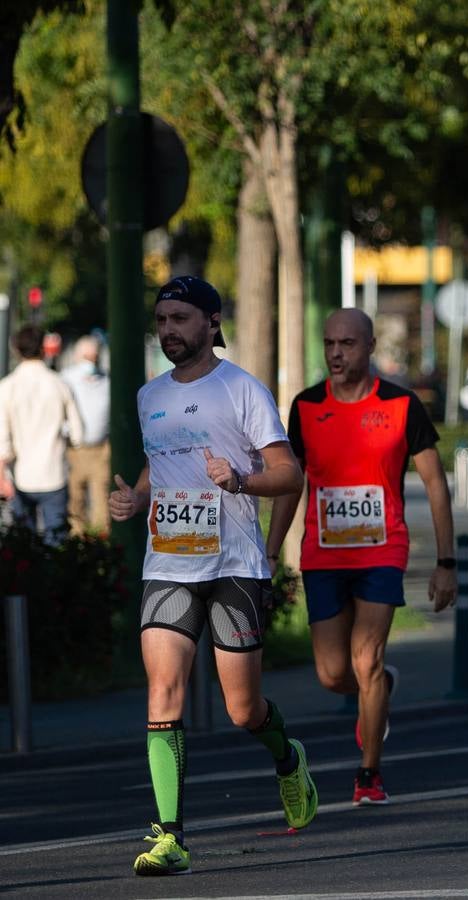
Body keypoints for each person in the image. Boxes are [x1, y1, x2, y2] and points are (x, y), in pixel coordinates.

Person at [110, 276, 316, 876]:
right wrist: (136, 498)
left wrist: (241, 481)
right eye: (162, 320)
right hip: (168, 563)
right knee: (162, 693)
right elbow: (160, 461)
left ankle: (287, 755)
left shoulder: (242, 390)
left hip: (233, 564)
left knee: (242, 709)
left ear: (211, 322)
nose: (168, 330)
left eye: (180, 318)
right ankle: (169, 837)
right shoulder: (151, 395)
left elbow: (289, 474)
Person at [266, 308, 458, 806]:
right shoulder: (306, 406)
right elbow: (291, 483)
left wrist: (446, 561)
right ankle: (380, 688)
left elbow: (436, 484)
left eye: (347, 343)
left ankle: (368, 773)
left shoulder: (401, 404)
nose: (335, 353)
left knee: (365, 659)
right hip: (323, 554)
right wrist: (270, 551)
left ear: (370, 346)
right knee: (333, 676)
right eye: (329, 343)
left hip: (381, 550)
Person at [0, 325, 83, 544]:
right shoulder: (60, 384)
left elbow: (2, 441)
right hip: (54, 474)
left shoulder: (7, 387)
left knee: (22, 547)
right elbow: (78, 434)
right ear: (44, 349)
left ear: (16, 350)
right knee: (56, 544)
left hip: (19, 476)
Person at [62, 334, 111, 533]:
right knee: (75, 502)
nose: (92, 361)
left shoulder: (106, 379)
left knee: (102, 502)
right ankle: (77, 543)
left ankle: (101, 543)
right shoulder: (65, 379)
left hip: (101, 449)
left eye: (95, 356)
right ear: (77, 356)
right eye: (87, 356)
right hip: (74, 449)